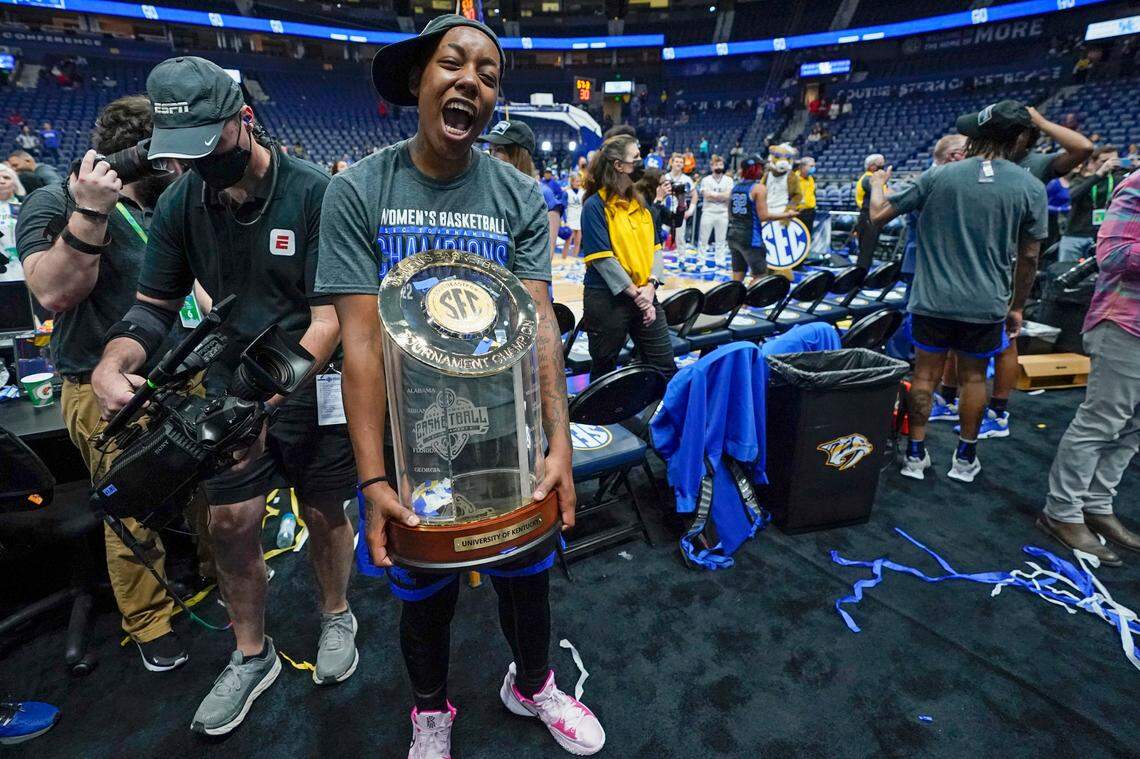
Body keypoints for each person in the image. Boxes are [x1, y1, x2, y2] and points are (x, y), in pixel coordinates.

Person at [313, 16, 603, 758]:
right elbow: (361, 345)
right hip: (417, 446)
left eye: (489, 73)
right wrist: (372, 476)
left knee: (528, 582)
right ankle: (430, 709)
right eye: (452, 63)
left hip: (509, 439)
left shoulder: (516, 194)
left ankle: (531, 684)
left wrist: (559, 442)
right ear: (419, 80)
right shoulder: (359, 192)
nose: (471, 79)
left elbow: (540, 326)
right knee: (425, 595)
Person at [90, 57, 359, 735]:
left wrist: (269, 399)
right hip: (227, 391)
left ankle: (336, 613)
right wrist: (114, 361)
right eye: (180, 155)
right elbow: (152, 308)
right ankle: (250, 652)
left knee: (326, 509)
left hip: (310, 378)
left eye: (206, 148)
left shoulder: (313, 194)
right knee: (231, 524)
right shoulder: (182, 201)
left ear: (244, 121)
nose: (193, 167)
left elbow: (328, 320)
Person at [15, 96, 192, 672]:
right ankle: (150, 622)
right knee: (131, 505)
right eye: (166, 155)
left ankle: (219, 577)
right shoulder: (56, 200)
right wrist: (92, 212)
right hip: (101, 385)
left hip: (176, 375)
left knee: (214, 493)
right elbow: (52, 293)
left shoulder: (167, 204)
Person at [870, 99, 1047, 484]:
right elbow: (1030, 256)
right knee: (972, 379)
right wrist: (1017, 306)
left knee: (924, 375)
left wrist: (876, 185)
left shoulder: (938, 176)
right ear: (1018, 139)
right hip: (985, 305)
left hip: (932, 300)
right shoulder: (1031, 187)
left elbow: (878, 215)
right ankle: (965, 459)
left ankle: (915, 455)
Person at [931, 107, 1093, 435]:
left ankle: (999, 412)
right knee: (954, 333)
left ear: (1020, 136)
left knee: (1005, 339)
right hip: (973, 259)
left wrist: (1042, 122)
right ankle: (948, 399)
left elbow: (1083, 149)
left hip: (1009, 265)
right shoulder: (983, 162)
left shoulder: (1035, 164)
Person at [1038, 166, 1140, 566]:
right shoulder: (1136, 184)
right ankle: (1061, 512)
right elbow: (1112, 254)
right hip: (1124, 323)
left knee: (1134, 428)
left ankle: (1097, 504)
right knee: (1102, 421)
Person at [580, 134, 674, 381]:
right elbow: (603, 260)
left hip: (645, 293)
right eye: (636, 158)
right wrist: (639, 297)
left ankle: (652, 416)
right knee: (604, 369)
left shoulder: (642, 203)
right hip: (608, 299)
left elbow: (656, 249)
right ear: (618, 166)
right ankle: (601, 418)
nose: (641, 163)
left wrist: (651, 287)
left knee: (664, 365)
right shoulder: (594, 206)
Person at [481, 120, 562, 260]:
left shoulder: (543, 194)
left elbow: (546, 255)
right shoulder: (489, 189)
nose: (491, 155)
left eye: (499, 150)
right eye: (491, 149)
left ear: (519, 154)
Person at [728, 154, 796, 285]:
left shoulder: (735, 188)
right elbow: (764, 216)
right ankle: (748, 303)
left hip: (732, 235)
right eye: (761, 168)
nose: (763, 170)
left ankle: (735, 303)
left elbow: (730, 214)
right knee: (760, 275)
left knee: (738, 275)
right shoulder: (759, 188)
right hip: (750, 237)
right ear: (756, 169)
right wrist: (787, 215)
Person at [1060, 145, 1122, 262]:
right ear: (1093, 162)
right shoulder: (1080, 179)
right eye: (1104, 161)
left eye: (1113, 160)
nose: (1109, 164)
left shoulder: (1118, 180)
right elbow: (1072, 197)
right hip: (1075, 235)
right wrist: (1099, 174)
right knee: (1066, 272)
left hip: (1105, 237)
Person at [854, 153, 885, 269]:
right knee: (866, 249)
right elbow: (879, 195)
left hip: (873, 216)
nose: (883, 167)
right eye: (880, 164)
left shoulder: (874, 179)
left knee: (869, 248)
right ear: (872, 167)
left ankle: (863, 272)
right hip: (867, 216)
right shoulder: (869, 179)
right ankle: (860, 275)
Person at [697, 153, 732, 252]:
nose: (718, 167)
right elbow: (706, 196)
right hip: (708, 212)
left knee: (721, 240)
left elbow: (728, 196)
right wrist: (722, 196)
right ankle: (701, 260)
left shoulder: (729, 180)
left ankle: (720, 261)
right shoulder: (706, 180)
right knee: (703, 239)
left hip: (723, 213)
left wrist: (714, 195)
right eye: (716, 165)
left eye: (720, 164)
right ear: (711, 166)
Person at [761, 143, 802, 220]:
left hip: (783, 212)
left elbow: (797, 195)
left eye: (787, 158)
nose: (783, 162)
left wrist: (791, 208)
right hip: (766, 211)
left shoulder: (791, 176)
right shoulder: (767, 175)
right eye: (777, 157)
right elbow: (761, 191)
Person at [665, 151, 694, 248]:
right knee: (661, 237)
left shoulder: (687, 179)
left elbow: (695, 195)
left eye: (681, 162)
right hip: (665, 211)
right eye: (677, 161)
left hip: (680, 213)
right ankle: (658, 260)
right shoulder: (665, 177)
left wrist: (690, 211)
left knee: (680, 238)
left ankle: (681, 261)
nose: (679, 164)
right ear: (671, 163)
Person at [0, 163, 25, 270]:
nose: (1, 181)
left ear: (15, 184)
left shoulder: (27, 207)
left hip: (24, 263)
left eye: (6, 177)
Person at [565, 172, 584, 258]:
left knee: (578, 242)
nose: (578, 183)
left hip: (579, 218)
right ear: (572, 182)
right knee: (568, 241)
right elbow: (564, 207)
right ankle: (563, 258)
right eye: (576, 181)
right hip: (570, 219)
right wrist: (564, 221)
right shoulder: (567, 192)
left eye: (579, 181)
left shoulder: (583, 192)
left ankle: (574, 259)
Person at [796, 156, 817, 233]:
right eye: (811, 166)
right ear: (803, 167)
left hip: (810, 212)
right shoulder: (794, 179)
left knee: (808, 237)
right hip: (798, 213)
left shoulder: (811, 178)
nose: (814, 168)